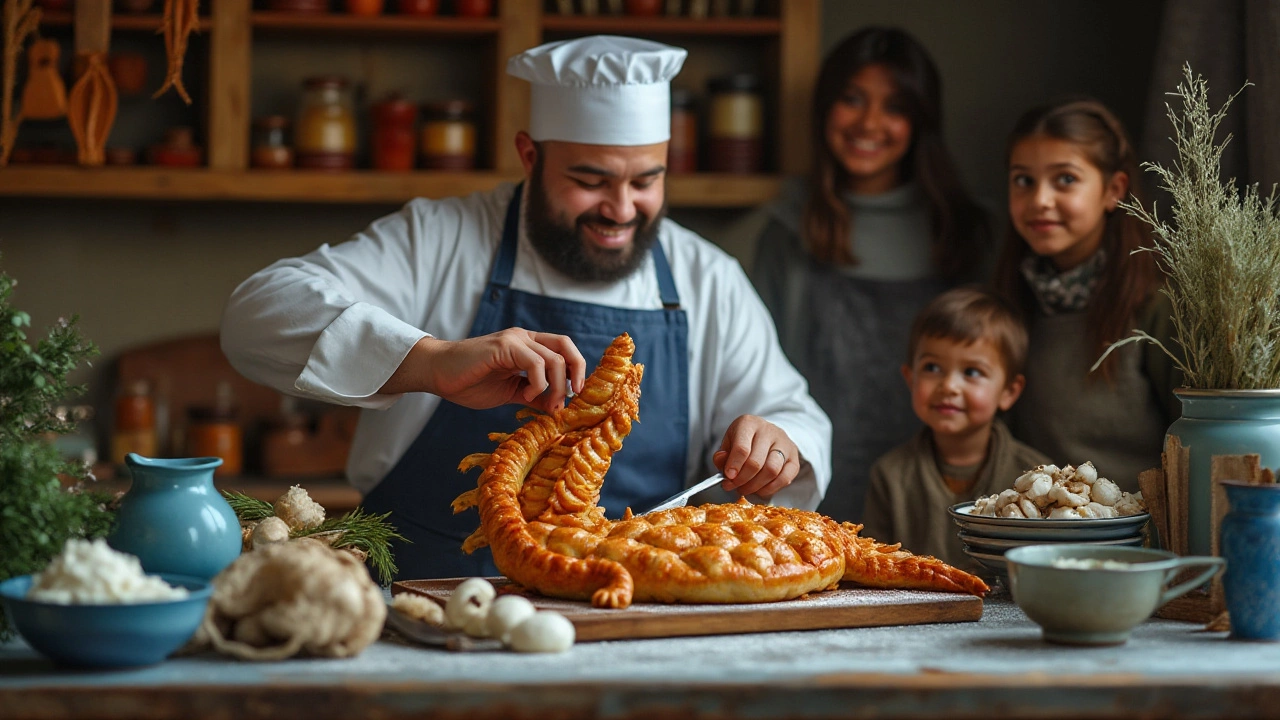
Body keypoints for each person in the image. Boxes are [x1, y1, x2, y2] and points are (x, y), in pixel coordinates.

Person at [219, 35, 832, 581]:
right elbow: (255, 314)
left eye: (646, 181)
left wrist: (780, 442)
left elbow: (792, 412)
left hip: (635, 610)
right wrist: (430, 362)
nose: (621, 209)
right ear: (530, 155)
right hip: (427, 604)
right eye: (591, 180)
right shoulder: (440, 238)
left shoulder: (709, 278)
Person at [750, 26, 989, 524]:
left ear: (920, 121)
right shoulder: (787, 229)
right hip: (819, 498)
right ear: (824, 110)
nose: (869, 123)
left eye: (895, 106)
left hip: (950, 499)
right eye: (852, 99)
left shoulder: (967, 231)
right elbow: (762, 384)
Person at [994, 98, 1179, 493]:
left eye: (1065, 179)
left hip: (1138, 540)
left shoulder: (1158, 309)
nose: (1040, 199)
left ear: (1113, 190)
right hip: (1030, 535)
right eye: (1023, 180)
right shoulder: (1004, 305)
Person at [861, 286, 1049, 572]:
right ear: (910, 378)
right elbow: (874, 568)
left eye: (972, 372)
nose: (948, 386)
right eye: (932, 368)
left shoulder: (1036, 478)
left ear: (1009, 392)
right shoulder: (890, 475)